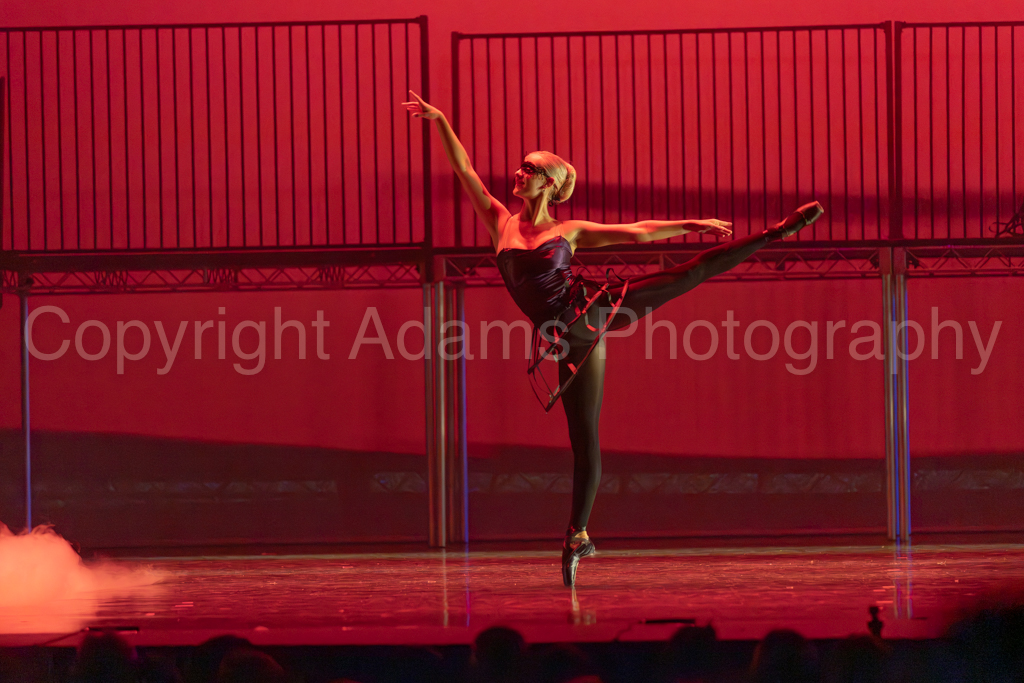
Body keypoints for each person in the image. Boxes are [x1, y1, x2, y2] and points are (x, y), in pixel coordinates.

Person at [402, 91, 823, 587]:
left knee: (686, 274)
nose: (517, 173)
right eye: (521, 166)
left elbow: (638, 233)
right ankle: (578, 534)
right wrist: (440, 120)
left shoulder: (570, 231)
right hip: (568, 341)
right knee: (583, 439)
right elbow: (464, 170)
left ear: (549, 182)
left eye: (528, 168)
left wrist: (689, 224)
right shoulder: (501, 222)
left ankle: (775, 233)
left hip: (591, 310)